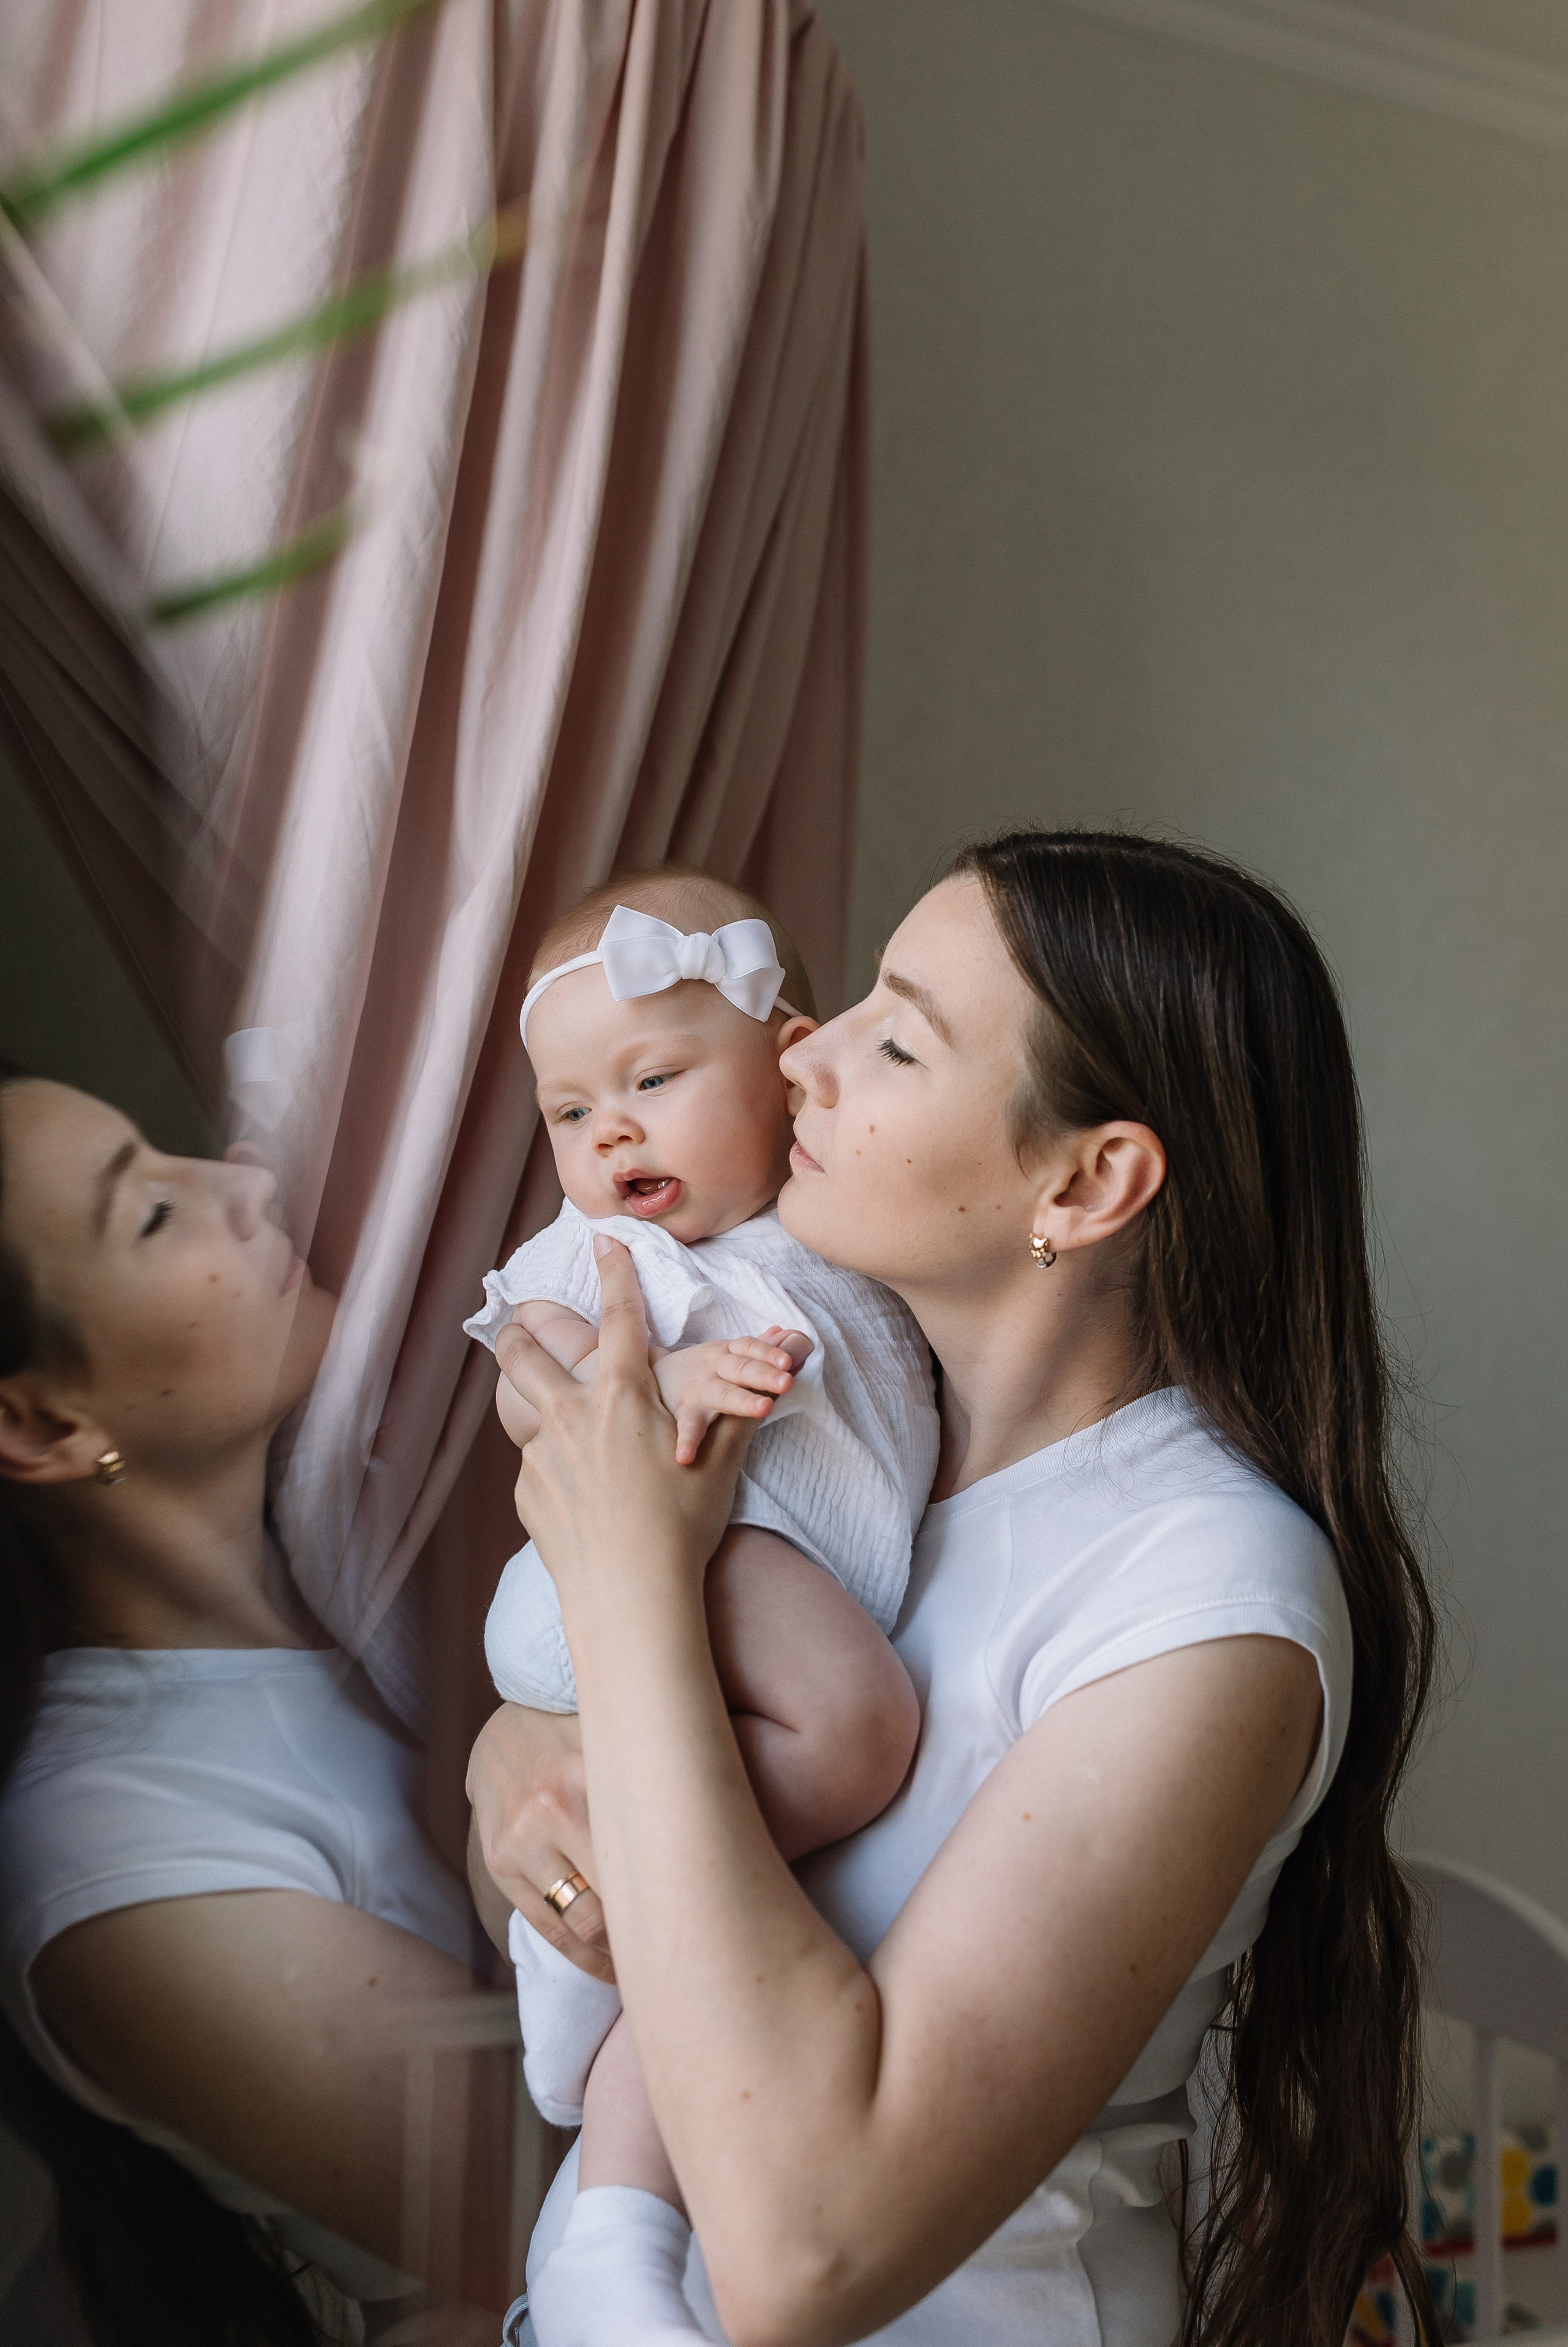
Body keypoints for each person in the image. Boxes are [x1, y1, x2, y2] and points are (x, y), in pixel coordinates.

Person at [468, 830, 1438, 2347]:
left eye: (896, 1037)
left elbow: (805, 2260)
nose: (803, 1058)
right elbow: (597, 1872)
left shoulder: (1202, 1592)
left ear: (1089, 1178)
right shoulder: (853, 1451)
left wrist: (627, 1588)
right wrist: (514, 1764)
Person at [463, 868, 937, 2347]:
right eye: (567, 1111)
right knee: (857, 1739)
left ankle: (607, 1972)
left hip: (734, 1573)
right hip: (659, 1558)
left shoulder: (836, 1230)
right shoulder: (608, 1259)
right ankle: (598, 1957)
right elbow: (534, 1366)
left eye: (655, 1079)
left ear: (785, 1061)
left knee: (742, 1901)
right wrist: (652, 1385)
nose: (608, 1132)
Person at [0, 1073, 501, 2345]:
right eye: (152, 1214)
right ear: (42, 1421)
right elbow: (604, 2192)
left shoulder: (386, 1516)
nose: (244, 1180)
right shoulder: (119, 1859)